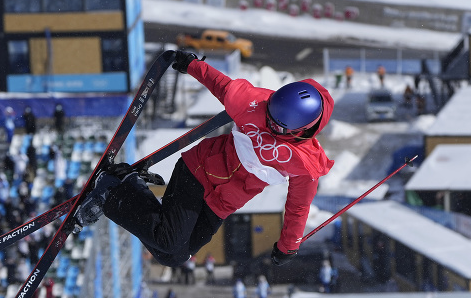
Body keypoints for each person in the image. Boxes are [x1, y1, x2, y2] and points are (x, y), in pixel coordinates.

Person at [75, 50, 334, 268]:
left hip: (222, 203)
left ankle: (131, 186)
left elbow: (298, 208)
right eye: (270, 117)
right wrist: (191, 64)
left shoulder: (306, 164)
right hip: (198, 171)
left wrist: (288, 246)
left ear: (301, 130)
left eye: (278, 127)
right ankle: (112, 192)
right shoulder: (256, 104)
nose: (269, 124)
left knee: (174, 256)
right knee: (167, 241)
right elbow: (223, 86)